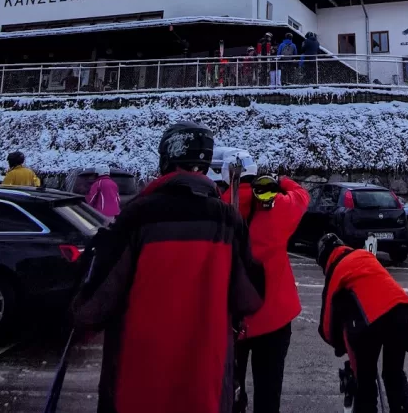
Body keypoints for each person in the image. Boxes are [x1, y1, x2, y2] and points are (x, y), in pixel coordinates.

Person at [71, 123, 265, 413]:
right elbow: (250, 298)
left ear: (166, 160)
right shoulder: (229, 221)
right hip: (206, 384)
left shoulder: (138, 214)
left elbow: (95, 306)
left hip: (137, 383)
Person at [222, 162, 310, 413]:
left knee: (229, 394)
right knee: (269, 395)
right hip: (274, 318)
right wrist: (282, 181)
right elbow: (302, 197)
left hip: (232, 320)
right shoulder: (277, 207)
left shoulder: (219, 207)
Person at [316, 233, 408, 413]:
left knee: (365, 382)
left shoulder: (336, 267)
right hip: (405, 313)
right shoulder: (364, 255)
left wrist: (339, 345)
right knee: (393, 374)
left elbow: (326, 325)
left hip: (373, 321)